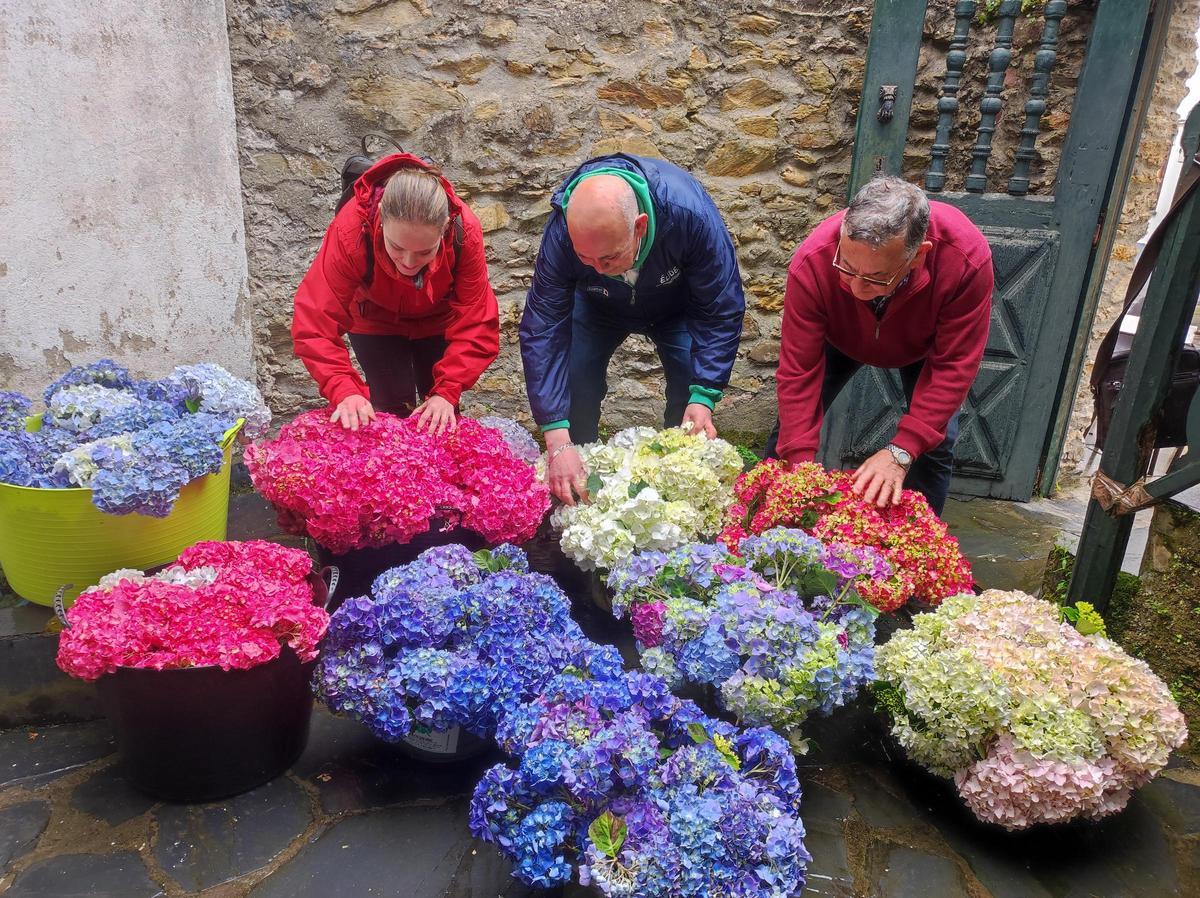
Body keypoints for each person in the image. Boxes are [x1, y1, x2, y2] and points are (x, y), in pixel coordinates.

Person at [520, 153, 746, 506]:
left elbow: (720, 305)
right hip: (596, 305)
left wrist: (705, 395)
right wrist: (556, 437)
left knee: (689, 386)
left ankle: (677, 492)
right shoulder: (563, 231)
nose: (596, 267)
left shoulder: (689, 215)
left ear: (639, 226)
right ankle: (578, 487)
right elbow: (543, 324)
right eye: (585, 259)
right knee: (576, 376)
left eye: (607, 259)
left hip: (677, 305)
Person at [769, 175, 993, 516]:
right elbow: (798, 372)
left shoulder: (966, 258)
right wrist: (800, 465)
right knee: (790, 436)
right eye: (845, 268)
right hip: (839, 337)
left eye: (875, 278)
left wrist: (902, 450)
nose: (856, 289)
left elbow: (955, 364)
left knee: (936, 440)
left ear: (918, 256)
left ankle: (917, 548)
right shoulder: (814, 258)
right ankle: (758, 539)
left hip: (922, 346)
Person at [292, 152, 500, 435]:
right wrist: (344, 390)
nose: (409, 263)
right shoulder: (351, 229)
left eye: (425, 251)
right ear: (380, 223)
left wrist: (447, 393)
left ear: (445, 230)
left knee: (439, 418)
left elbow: (477, 321)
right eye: (396, 247)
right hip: (374, 318)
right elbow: (315, 321)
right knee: (390, 410)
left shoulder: (465, 230)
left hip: (438, 318)